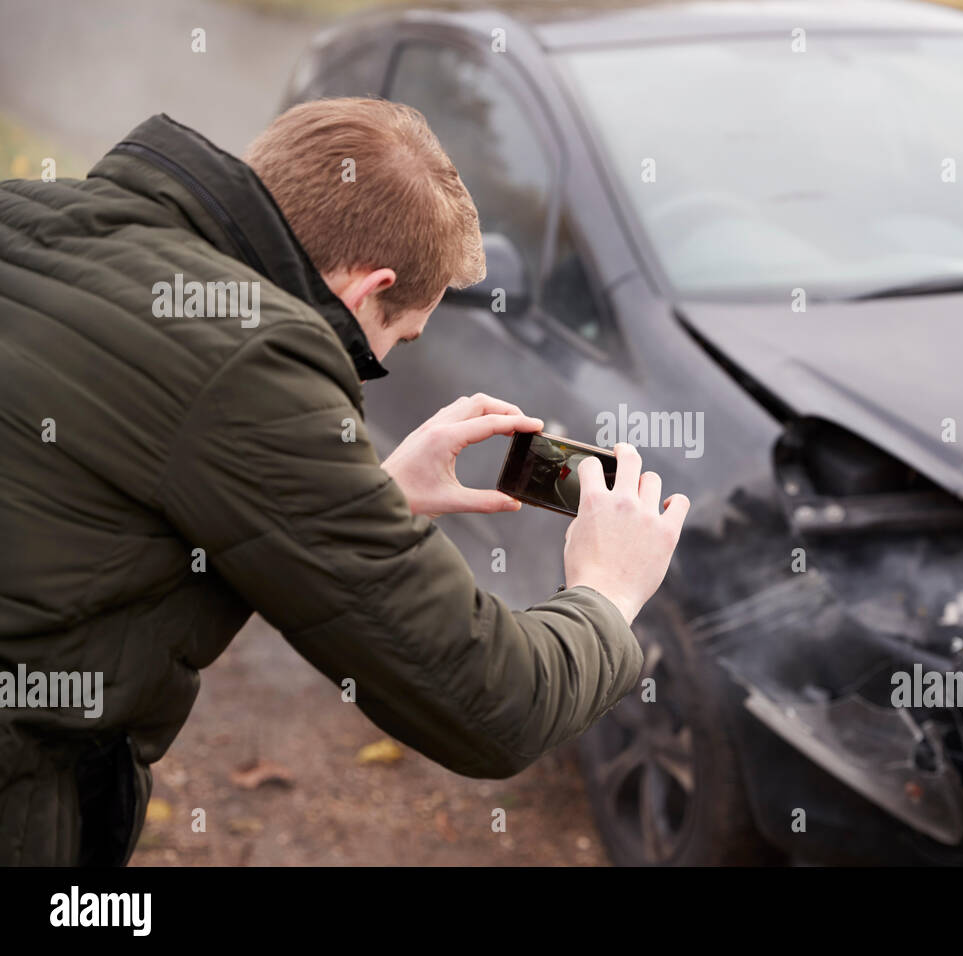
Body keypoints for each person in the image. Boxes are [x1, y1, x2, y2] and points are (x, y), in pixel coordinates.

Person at [0, 98, 688, 865]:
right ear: (367, 291)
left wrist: (365, 496)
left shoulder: (28, 214)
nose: (379, 364)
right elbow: (494, 705)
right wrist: (607, 592)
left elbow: (118, 495)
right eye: (394, 341)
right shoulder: (251, 365)